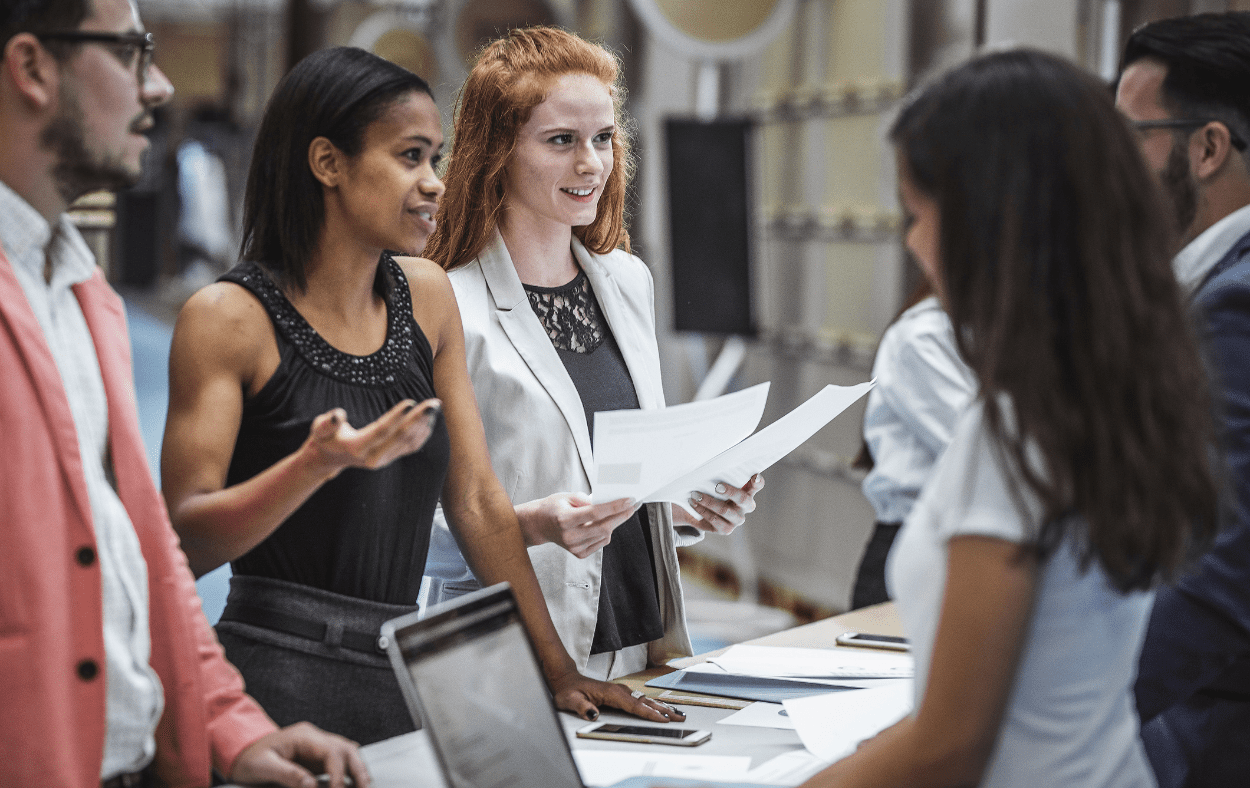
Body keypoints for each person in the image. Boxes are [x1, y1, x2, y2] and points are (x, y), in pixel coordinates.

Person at [159, 45, 673, 747]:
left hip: (400, 664)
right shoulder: (226, 318)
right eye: (409, 158)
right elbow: (180, 543)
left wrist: (558, 670)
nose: (434, 182)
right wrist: (313, 465)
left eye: (434, 157)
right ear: (327, 163)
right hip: (276, 663)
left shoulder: (425, 296)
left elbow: (477, 501)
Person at [798, 49, 1218, 788]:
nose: (913, 244)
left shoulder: (1016, 434)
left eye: (919, 216)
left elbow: (950, 746)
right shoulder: (1114, 389)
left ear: (989, 225)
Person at [0, 1, 368, 786]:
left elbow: (139, 556)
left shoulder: (81, 291)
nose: (160, 86)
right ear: (32, 67)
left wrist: (231, 727)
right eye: (131, 52)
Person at [420, 26, 764, 680]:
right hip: (511, 659)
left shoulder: (627, 282)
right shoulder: (447, 305)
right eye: (561, 141)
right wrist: (528, 526)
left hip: (638, 647)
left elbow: (618, 478)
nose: (591, 164)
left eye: (603, 138)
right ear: (496, 151)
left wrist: (683, 502)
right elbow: (401, 534)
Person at [1115, 12, 1250, 787]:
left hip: (1212, 737)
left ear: (1207, 148)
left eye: (1128, 138)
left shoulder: (1236, 303)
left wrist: (1078, 715)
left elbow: (1221, 567)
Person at [850, 279, 975, 610]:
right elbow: (983, 455)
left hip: (956, 547)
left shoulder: (985, 328)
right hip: (915, 548)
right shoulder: (925, 334)